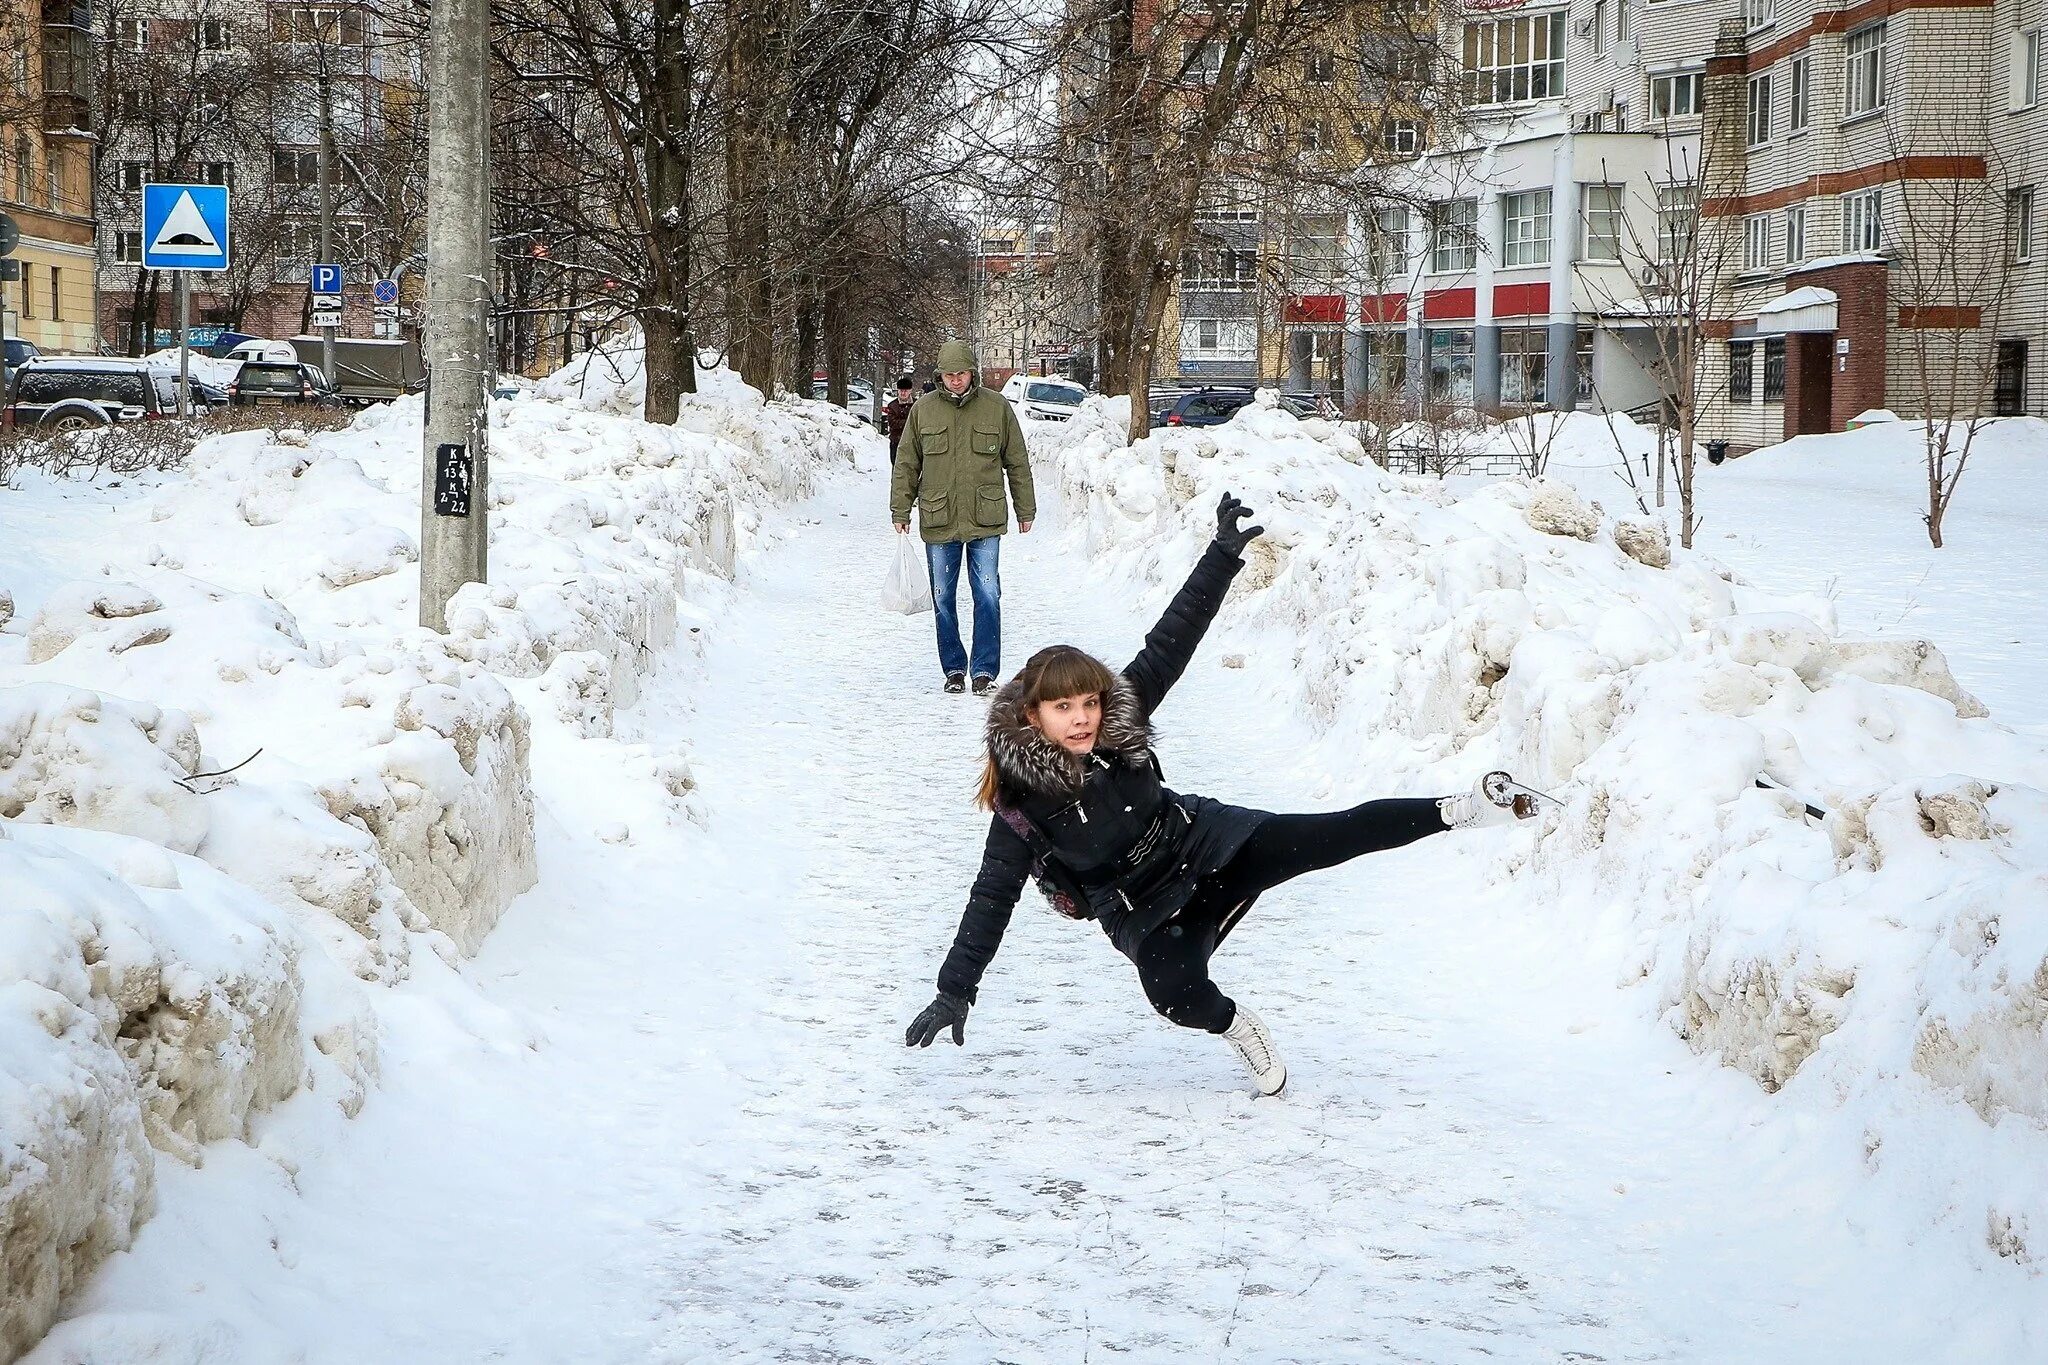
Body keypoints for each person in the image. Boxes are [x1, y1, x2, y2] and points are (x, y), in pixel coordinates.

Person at [902, 493, 1546, 1095]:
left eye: (1089, 703)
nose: (1081, 719)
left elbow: (1170, 640)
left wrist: (1221, 556)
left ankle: (1461, 810)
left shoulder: (1117, 721)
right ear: (1033, 715)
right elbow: (991, 898)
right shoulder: (1021, 803)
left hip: (1205, 843)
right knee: (1177, 996)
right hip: (1143, 908)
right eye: (1063, 708)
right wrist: (955, 988)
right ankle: (1238, 1028)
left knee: (1330, 834)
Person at [890, 338, 1036, 696]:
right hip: (939, 518)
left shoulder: (997, 408)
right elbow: (907, 462)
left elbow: (1016, 460)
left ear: (973, 373)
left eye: (962, 373)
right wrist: (900, 508)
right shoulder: (923, 410)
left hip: (985, 517)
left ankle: (984, 670)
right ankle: (954, 668)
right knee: (943, 597)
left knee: (988, 594)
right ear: (941, 375)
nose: (956, 380)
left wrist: (1025, 507)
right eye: (949, 374)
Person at [883, 375, 916, 459]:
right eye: (901, 390)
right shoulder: (892, 405)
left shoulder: (917, 404)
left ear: (910, 391)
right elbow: (893, 423)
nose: (903, 393)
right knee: (897, 467)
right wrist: (909, 422)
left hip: (913, 442)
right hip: (896, 441)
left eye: (905, 391)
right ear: (898, 391)